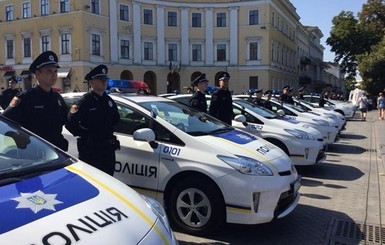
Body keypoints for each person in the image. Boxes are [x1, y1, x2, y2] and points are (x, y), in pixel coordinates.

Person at [2, 51, 69, 151]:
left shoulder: (57, 98)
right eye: (49, 71)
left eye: (55, 71)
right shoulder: (25, 98)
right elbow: (5, 122)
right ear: (38, 73)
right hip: (34, 154)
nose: (54, 75)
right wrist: (19, 139)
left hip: (56, 154)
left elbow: (66, 121)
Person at [65, 64, 120, 176]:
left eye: (105, 79)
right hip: (91, 150)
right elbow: (70, 123)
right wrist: (86, 135)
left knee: (109, 180)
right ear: (91, 82)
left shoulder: (108, 101)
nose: (104, 82)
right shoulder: (85, 102)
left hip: (108, 149)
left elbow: (116, 119)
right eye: (100, 79)